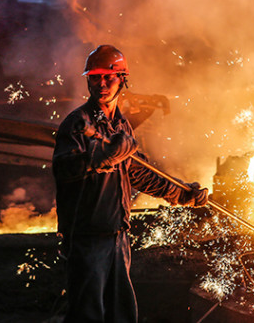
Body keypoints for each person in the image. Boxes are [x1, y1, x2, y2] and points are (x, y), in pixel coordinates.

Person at [52, 45, 209, 323]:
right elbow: (64, 169)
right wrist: (101, 157)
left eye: (108, 77)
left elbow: (140, 173)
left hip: (117, 237)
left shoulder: (121, 126)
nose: (101, 84)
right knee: (87, 316)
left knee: (121, 314)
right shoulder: (77, 123)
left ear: (122, 79)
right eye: (95, 77)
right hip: (87, 238)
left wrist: (181, 192)